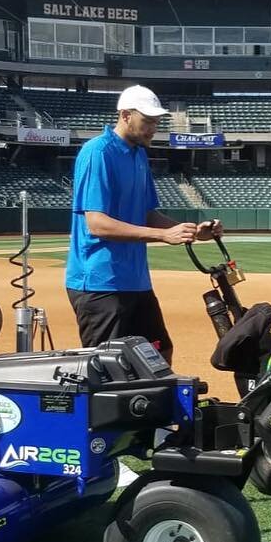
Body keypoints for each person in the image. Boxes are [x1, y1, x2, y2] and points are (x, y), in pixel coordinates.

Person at [65, 84, 222, 362]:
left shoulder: (139, 155)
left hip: (134, 281)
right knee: (109, 368)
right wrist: (162, 236)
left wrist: (191, 232)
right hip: (100, 283)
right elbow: (97, 224)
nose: (153, 128)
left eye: (156, 122)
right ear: (125, 115)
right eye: (147, 121)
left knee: (158, 354)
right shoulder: (98, 152)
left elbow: (147, 214)